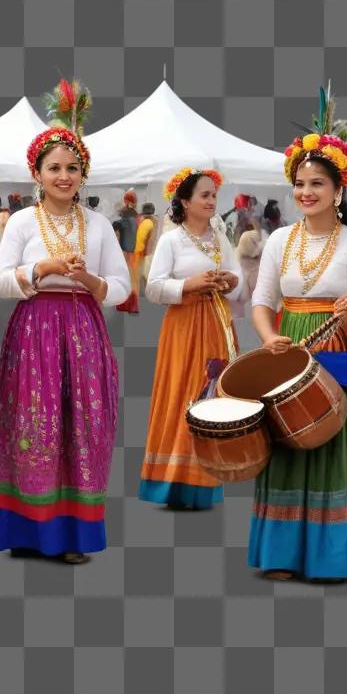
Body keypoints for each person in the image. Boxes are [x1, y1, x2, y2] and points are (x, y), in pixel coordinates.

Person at [0, 81, 129, 564]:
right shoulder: (21, 222)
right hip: (34, 332)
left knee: (82, 427)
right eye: (54, 168)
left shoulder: (100, 224)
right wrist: (42, 270)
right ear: (37, 172)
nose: (64, 176)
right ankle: (30, 533)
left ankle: (72, 536)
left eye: (72, 168)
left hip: (84, 329)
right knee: (35, 427)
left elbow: (123, 287)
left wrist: (88, 278)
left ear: (82, 173)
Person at [250, 110, 347, 582]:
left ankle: (333, 559)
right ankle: (282, 556)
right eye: (300, 183)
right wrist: (269, 337)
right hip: (288, 356)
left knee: (333, 449)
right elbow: (262, 302)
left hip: (338, 359)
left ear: (338, 190)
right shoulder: (280, 240)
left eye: (317, 184)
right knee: (286, 446)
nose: (306, 192)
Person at [139, 168, 244, 510]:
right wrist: (190, 285)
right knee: (182, 393)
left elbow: (239, 278)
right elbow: (153, 288)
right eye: (205, 195)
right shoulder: (172, 239)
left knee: (214, 395)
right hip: (183, 326)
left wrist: (230, 280)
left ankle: (205, 481)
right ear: (185, 201)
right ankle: (172, 481)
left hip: (217, 322)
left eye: (214, 195)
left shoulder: (220, 236)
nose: (212, 201)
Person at [114, 189, 140, 313]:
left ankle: (125, 304)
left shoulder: (123, 218)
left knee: (125, 277)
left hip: (124, 251)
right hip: (133, 251)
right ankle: (132, 305)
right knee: (133, 279)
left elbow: (117, 234)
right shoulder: (137, 218)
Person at [133, 202, 158, 293]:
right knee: (146, 272)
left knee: (141, 273)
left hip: (137, 251)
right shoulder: (152, 221)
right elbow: (151, 239)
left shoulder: (138, 219)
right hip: (144, 251)